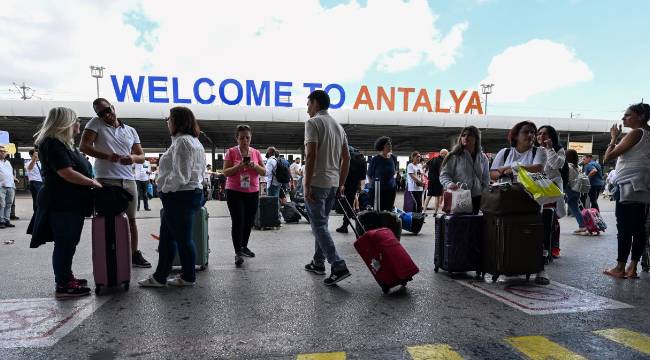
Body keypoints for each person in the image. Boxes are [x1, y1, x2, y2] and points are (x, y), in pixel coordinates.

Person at [33, 107, 102, 298]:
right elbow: (66, 172)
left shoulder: (63, 144)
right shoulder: (53, 143)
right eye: (76, 120)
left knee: (69, 242)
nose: (78, 124)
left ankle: (66, 276)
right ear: (65, 123)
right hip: (61, 203)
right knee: (65, 243)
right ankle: (63, 284)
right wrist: (92, 182)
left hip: (70, 202)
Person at [139, 107, 206, 287]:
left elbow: (180, 176)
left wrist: (164, 189)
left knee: (182, 239)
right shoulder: (193, 142)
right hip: (188, 194)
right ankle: (161, 276)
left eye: (169, 119)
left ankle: (187, 276)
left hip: (179, 196)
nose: (167, 122)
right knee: (169, 238)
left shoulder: (183, 142)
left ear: (177, 121)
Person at [80, 98, 151, 268]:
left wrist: (132, 158)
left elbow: (141, 156)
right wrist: (107, 156)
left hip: (128, 179)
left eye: (107, 110)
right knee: (107, 220)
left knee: (131, 220)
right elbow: (84, 146)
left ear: (113, 107)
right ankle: (110, 253)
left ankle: (134, 253)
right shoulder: (95, 123)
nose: (106, 115)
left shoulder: (131, 130)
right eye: (101, 113)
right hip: (106, 179)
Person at [302, 90, 351, 286]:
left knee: (319, 226)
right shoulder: (339, 127)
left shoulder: (313, 123)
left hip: (316, 182)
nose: (307, 108)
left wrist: (306, 184)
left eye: (308, 104)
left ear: (315, 103)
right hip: (332, 184)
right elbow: (346, 158)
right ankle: (318, 262)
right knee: (322, 224)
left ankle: (338, 265)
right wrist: (341, 183)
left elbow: (311, 155)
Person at [490, 121, 549, 285]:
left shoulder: (539, 151)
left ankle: (540, 269)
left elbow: (537, 168)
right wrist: (514, 169)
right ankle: (509, 264)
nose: (530, 135)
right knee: (510, 232)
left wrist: (509, 169)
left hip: (531, 198)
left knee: (534, 233)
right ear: (516, 135)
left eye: (532, 132)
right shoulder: (505, 152)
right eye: (526, 132)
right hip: (507, 198)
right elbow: (493, 174)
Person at [602, 102, 650, 279]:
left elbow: (608, 157)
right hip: (644, 187)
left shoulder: (637, 133)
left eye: (628, 115)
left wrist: (614, 138)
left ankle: (620, 267)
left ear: (641, 116)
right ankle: (632, 267)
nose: (623, 118)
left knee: (624, 227)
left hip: (629, 185)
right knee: (639, 228)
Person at [222, 125, 266, 266]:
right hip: (234, 191)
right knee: (238, 221)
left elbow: (264, 172)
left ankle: (244, 246)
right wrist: (239, 166)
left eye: (247, 137)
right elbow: (226, 172)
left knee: (249, 221)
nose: (245, 140)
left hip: (252, 191)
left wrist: (254, 165)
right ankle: (237, 252)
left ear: (250, 138)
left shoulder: (256, 153)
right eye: (242, 138)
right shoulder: (231, 152)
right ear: (237, 138)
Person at [439, 126, 490, 215]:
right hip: (458, 196)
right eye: (463, 135)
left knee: (473, 226)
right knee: (459, 226)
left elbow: (486, 178)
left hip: (477, 198)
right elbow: (444, 175)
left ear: (476, 138)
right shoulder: (454, 156)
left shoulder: (483, 158)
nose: (465, 137)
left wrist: (485, 194)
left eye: (470, 135)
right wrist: (450, 184)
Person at [536, 125, 566, 258]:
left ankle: (553, 247)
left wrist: (549, 149)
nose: (541, 136)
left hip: (552, 188)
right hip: (537, 188)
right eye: (539, 133)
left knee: (552, 219)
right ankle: (539, 247)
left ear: (551, 136)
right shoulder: (534, 150)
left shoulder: (559, 150)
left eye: (545, 134)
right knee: (538, 219)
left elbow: (556, 164)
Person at [336, 145, 366, 234]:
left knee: (345, 204)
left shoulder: (342, 150)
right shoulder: (357, 153)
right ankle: (346, 224)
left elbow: (341, 167)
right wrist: (360, 184)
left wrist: (341, 183)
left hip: (346, 180)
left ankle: (345, 225)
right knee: (349, 203)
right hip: (355, 181)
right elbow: (362, 171)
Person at [367, 137, 398, 211]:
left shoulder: (393, 158)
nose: (390, 145)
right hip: (378, 190)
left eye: (390, 144)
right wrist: (372, 187)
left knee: (389, 211)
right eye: (388, 144)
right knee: (378, 211)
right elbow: (369, 174)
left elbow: (394, 172)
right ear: (382, 146)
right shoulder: (375, 159)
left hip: (391, 190)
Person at [565, 149, 589, 235]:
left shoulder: (567, 166)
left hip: (569, 189)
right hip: (577, 189)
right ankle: (582, 226)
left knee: (573, 209)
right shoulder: (577, 166)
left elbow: (566, 179)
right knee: (575, 209)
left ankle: (583, 226)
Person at [423, 149, 447, 215]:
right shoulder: (442, 161)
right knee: (438, 197)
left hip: (431, 180)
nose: (446, 156)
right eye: (446, 154)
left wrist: (423, 173)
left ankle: (424, 211)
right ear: (443, 154)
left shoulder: (433, 159)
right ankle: (435, 213)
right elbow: (441, 171)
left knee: (429, 196)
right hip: (438, 181)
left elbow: (425, 166)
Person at [0, 147, 17, 228]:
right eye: (1, 151)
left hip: (10, 186)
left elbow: (9, 173)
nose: (3, 153)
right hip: (1, 187)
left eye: (4, 151)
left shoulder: (8, 162)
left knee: (9, 204)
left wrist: (14, 178)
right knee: (1, 204)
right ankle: (1, 221)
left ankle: (7, 220)